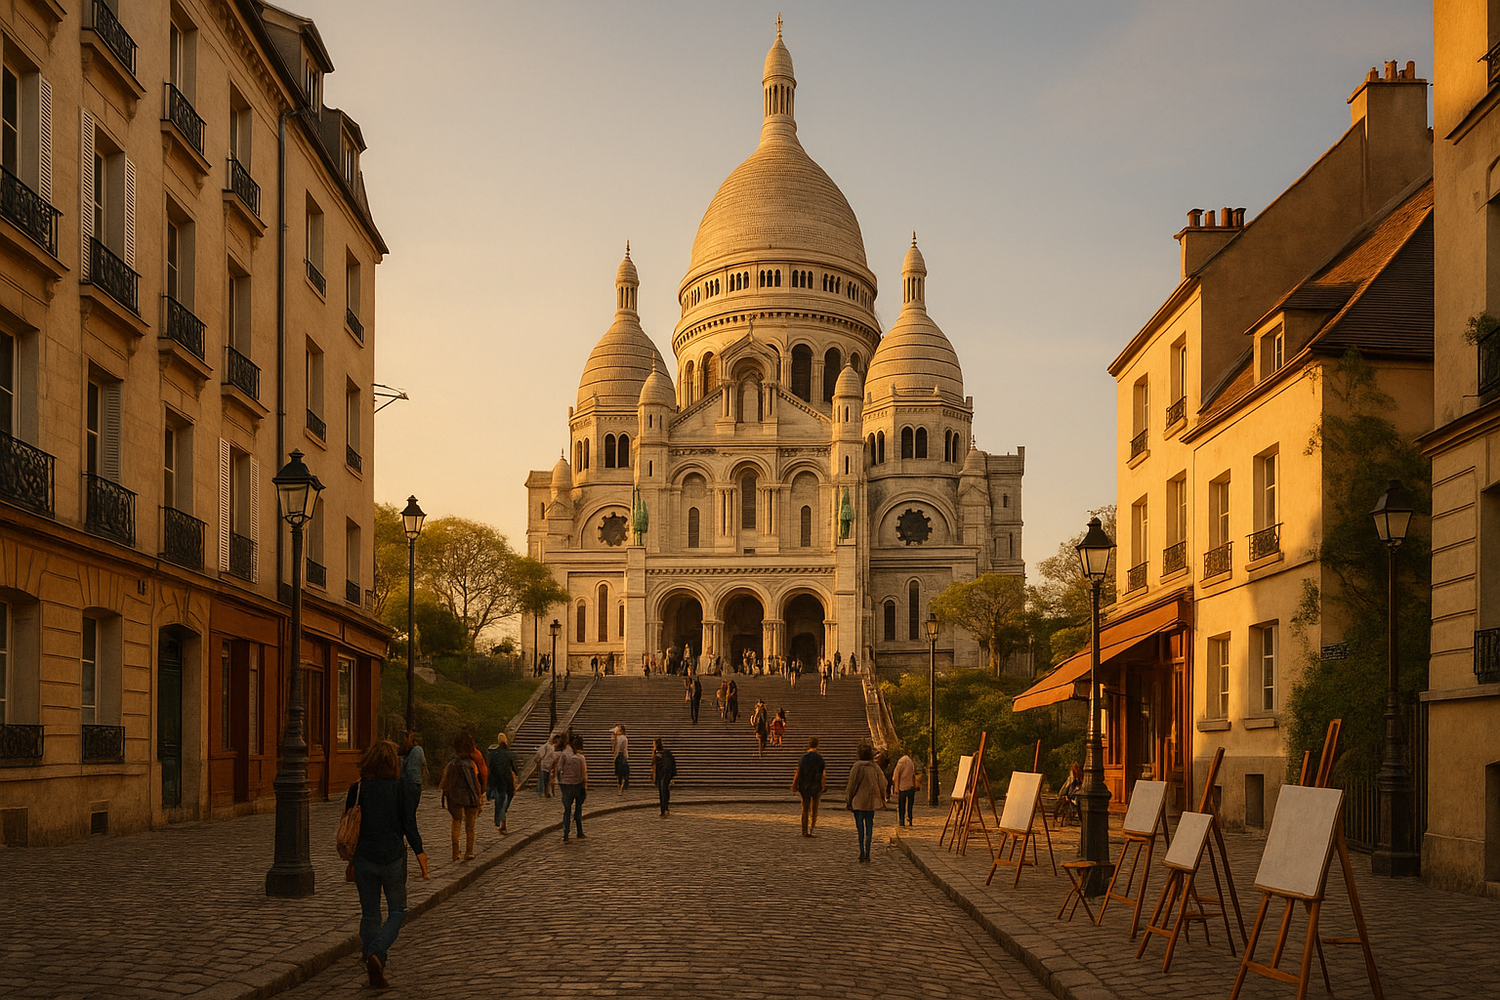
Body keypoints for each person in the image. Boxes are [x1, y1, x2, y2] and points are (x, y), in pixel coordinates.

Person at [345, 740, 428, 990]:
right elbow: (408, 823)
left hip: (364, 858)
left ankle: (370, 955)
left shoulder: (357, 788)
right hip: (392, 857)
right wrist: (420, 854)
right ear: (394, 763)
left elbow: (350, 825)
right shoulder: (400, 788)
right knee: (397, 910)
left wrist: (350, 860)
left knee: (370, 913)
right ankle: (377, 953)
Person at [440, 733, 484, 861]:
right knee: (470, 827)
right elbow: (475, 783)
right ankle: (469, 852)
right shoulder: (471, 764)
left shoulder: (451, 765)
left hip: (455, 797)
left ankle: (455, 852)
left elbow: (445, 782)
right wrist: (479, 799)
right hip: (470, 797)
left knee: (456, 824)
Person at [845, 742, 887, 862]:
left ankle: (862, 851)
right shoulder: (875, 767)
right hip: (870, 803)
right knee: (869, 827)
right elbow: (883, 783)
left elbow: (852, 785)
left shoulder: (857, 767)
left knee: (860, 829)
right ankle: (868, 852)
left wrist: (849, 800)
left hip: (858, 802)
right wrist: (883, 797)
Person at [554, 733, 588, 841]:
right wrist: (584, 785)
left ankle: (566, 833)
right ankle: (579, 831)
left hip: (566, 784)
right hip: (577, 785)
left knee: (567, 809)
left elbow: (559, 769)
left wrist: (559, 781)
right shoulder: (581, 758)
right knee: (578, 808)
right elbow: (584, 775)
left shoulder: (564, 755)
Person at [791, 736, 827, 837]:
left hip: (805, 785)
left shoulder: (803, 758)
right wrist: (822, 786)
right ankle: (812, 828)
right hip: (816, 785)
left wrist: (794, 784)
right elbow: (823, 774)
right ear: (817, 745)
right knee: (815, 808)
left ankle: (804, 830)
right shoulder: (819, 759)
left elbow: (798, 772)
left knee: (805, 809)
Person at [486, 732, 518, 834]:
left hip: (496, 780)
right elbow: (514, 769)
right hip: (506, 780)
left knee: (499, 800)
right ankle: (502, 822)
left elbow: (490, 769)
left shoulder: (492, 755)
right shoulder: (509, 754)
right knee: (505, 801)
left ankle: (499, 820)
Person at [892, 748, 918, 827]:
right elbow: (913, 775)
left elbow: (896, 776)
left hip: (902, 787)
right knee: (910, 805)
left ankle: (901, 820)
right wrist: (914, 785)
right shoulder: (911, 762)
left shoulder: (900, 762)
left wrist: (896, 787)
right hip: (910, 786)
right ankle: (910, 818)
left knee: (901, 805)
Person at [398, 731, 424, 810]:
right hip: (410, 784)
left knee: (408, 814)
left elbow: (411, 771)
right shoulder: (408, 753)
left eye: (406, 739)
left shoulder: (416, 749)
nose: (403, 742)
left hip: (410, 784)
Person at [651, 737, 676, 817]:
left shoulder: (657, 756)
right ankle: (666, 808)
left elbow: (654, 767)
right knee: (666, 790)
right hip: (667, 775)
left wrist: (653, 778)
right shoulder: (667, 753)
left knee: (661, 792)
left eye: (653, 744)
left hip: (660, 775)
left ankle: (663, 810)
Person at [612, 724, 630, 793]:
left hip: (620, 755)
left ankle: (620, 787)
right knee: (623, 773)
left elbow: (617, 748)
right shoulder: (622, 738)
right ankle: (621, 786)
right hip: (622, 755)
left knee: (619, 773)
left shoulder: (621, 738)